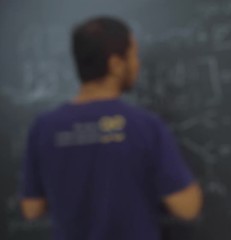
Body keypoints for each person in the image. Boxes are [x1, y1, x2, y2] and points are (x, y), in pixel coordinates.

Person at [20, 16, 203, 240]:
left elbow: (31, 209)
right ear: (115, 64)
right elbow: (187, 207)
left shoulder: (43, 127)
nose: (137, 64)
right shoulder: (145, 126)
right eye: (133, 55)